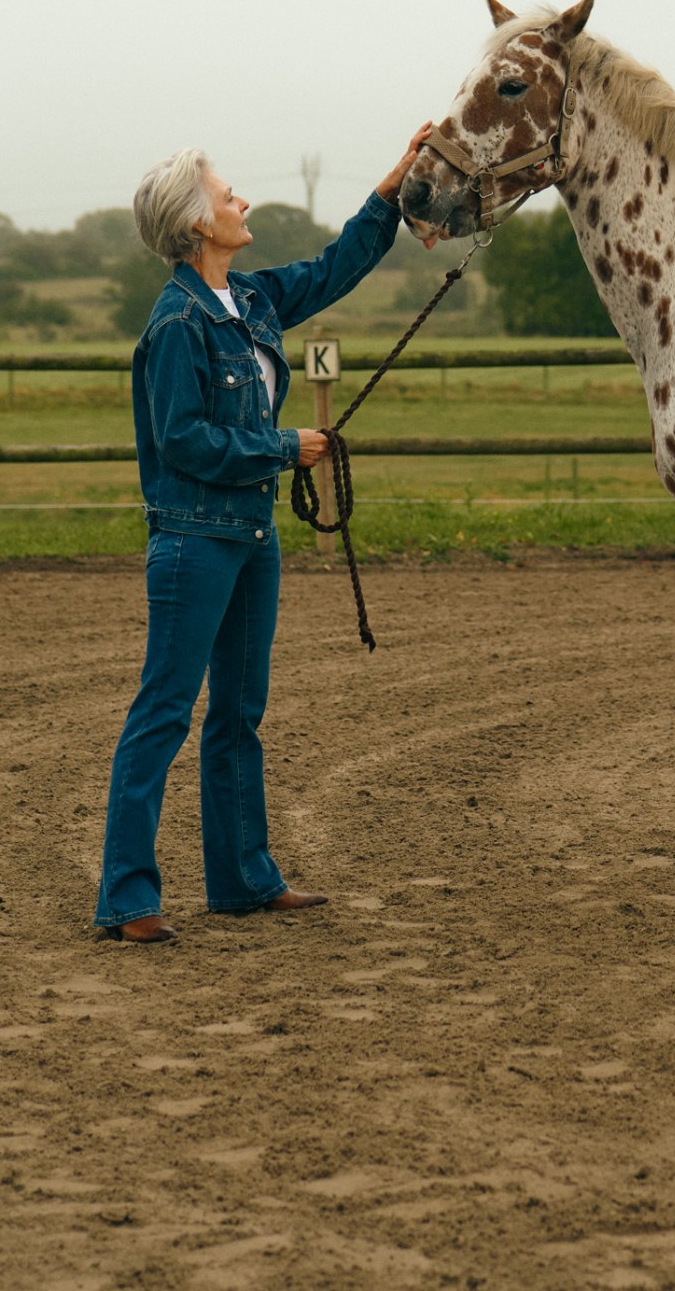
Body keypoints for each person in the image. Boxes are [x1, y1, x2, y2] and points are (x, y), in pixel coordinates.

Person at [95, 128, 430, 943]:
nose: (242, 202)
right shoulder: (177, 324)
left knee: (239, 711)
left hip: (249, 536)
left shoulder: (250, 302)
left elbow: (332, 268)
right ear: (197, 224)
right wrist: (286, 448)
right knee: (165, 711)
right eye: (228, 195)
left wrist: (389, 192)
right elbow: (183, 440)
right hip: (192, 541)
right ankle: (127, 897)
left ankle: (243, 880)